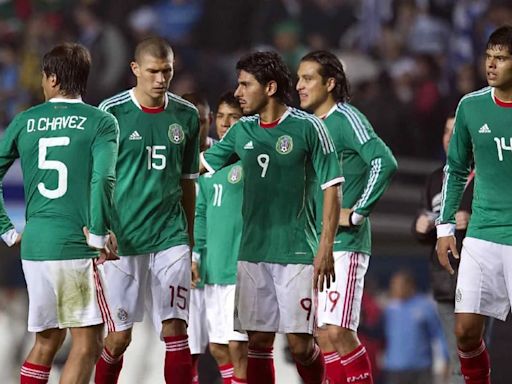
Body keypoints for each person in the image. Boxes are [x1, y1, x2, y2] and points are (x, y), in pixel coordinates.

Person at [201, 51, 343, 384]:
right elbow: (201, 165)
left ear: (270, 88)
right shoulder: (242, 131)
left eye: (245, 85)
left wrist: (325, 247)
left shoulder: (308, 128)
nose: (238, 93)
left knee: (300, 345)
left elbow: (332, 187)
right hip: (252, 253)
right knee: (258, 343)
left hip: (295, 252)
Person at [0, 42, 118, 384]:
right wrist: (98, 233)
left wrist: (7, 230)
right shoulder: (101, 122)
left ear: (51, 79)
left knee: (46, 339)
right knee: (86, 342)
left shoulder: (25, 121)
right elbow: (104, 179)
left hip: (36, 246)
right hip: (74, 247)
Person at [94, 37, 200, 384]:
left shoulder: (186, 115)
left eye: (166, 71)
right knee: (118, 339)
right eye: (153, 71)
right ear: (135, 69)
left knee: (175, 328)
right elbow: (96, 179)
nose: (160, 78)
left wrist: (190, 241)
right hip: (122, 238)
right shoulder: (111, 113)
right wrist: (98, 229)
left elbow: (188, 181)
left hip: (170, 235)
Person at [296, 50, 397, 384]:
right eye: (298, 78)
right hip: (314, 246)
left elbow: (384, 161)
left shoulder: (346, 118)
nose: (299, 85)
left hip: (345, 245)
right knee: (323, 335)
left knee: (339, 331)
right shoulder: (307, 127)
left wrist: (357, 214)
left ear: (330, 82)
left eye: (308, 78)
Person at [436, 25, 512, 384]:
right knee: (465, 331)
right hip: (481, 234)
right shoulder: (471, 106)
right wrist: (445, 226)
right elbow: (455, 170)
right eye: (489, 57)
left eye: (502, 58)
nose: (492, 65)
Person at [414, 112, 472, 384]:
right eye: (447, 131)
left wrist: (471, 222)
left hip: (479, 278)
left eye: (456, 131)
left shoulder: (487, 175)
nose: (450, 137)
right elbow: (424, 218)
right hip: (444, 281)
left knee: (477, 355)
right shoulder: (435, 179)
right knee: (458, 357)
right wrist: (420, 225)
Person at [195, 91, 247, 384]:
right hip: (213, 270)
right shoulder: (209, 167)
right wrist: (197, 256)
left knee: (240, 348)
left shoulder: (249, 163)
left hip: (238, 270)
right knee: (217, 348)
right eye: (222, 116)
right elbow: (201, 214)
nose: (226, 123)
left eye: (234, 117)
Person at [182, 92, 214, 384]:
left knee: (227, 349)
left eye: (201, 120)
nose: (196, 127)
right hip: (186, 270)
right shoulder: (169, 158)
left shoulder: (226, 155)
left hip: (222, 265)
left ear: (210, 121)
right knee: (187, 349)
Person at [383, 270, 449, 384]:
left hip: (421, 367)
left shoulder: (425, 307)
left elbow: (440, 334)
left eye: (398, 285)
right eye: (393, 285)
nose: (394, 289)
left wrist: (445, 359)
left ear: (410, 285)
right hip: (394, 368)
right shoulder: (389, 309)